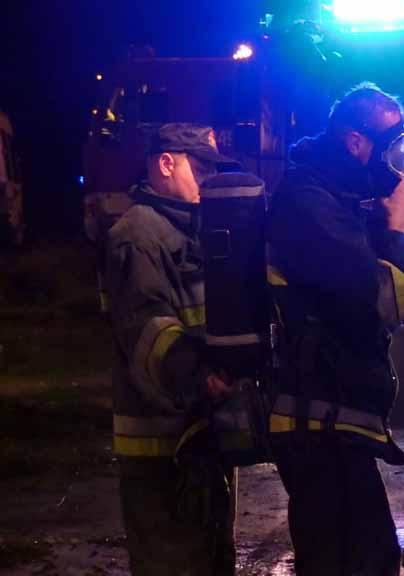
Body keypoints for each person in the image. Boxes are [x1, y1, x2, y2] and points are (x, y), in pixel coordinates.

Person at [266, 83, 404, 575]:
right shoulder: (309, 202)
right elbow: (385, 301)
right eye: (392, 148)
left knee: (363, 556)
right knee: (350, 560)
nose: (399, 164)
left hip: (335, 418)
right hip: (316, 421)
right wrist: (396, 232)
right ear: (356, 142)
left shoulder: (336, 197)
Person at [104, 123, 237, 575]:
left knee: (210, 556)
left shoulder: (188, 230)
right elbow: (147, 328)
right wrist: (201, 375)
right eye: (200, 170)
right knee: (171, 562)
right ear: (166, 164)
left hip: (199, 434)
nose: (208, 182)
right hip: (160, 446)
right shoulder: (137, 234)